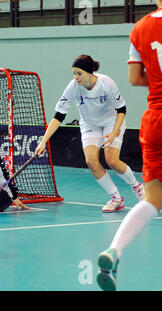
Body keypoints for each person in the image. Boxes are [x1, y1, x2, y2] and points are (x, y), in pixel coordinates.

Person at [96, 2, 162, 291]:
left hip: (155, 118)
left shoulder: (140, 28)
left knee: (153, 199)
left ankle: (115, 251)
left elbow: (135, 79)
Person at [35, 55, 144, 213]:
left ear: (89, 72)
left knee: (112, 160)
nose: (75, 77)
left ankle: (138, 187)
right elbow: (59, 116)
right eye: (74, 73)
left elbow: (122, 110)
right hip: (89, 125)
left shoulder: (106, 83)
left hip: (111, 122)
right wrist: (43, 141)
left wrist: (114, 133)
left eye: (79, 73)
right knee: (91, 161)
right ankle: (116, 198)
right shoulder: (73, 87)